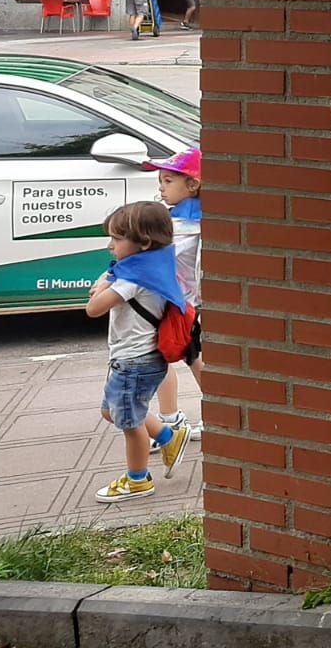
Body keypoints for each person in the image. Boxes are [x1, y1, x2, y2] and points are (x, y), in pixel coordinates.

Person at [87, 201, 193, 502]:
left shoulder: (133, 279)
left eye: (117, 239)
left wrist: (104, 281)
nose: (110, 246)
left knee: (130, 424)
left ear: (144, 242)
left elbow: (93, 308)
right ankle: (168, 437)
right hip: (137, 360)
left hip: (135, 362)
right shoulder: (153, 263)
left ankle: (138, 480)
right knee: (113, 411)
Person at [146, 148, 204, 442]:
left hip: (191, 307)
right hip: (174, 304)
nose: (161, 187)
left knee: (196, 359)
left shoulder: (189, 226)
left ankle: (216, 414)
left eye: (168, 181)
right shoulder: (175, 220)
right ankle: (170, 418)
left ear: (192, 185)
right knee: (163, 356)